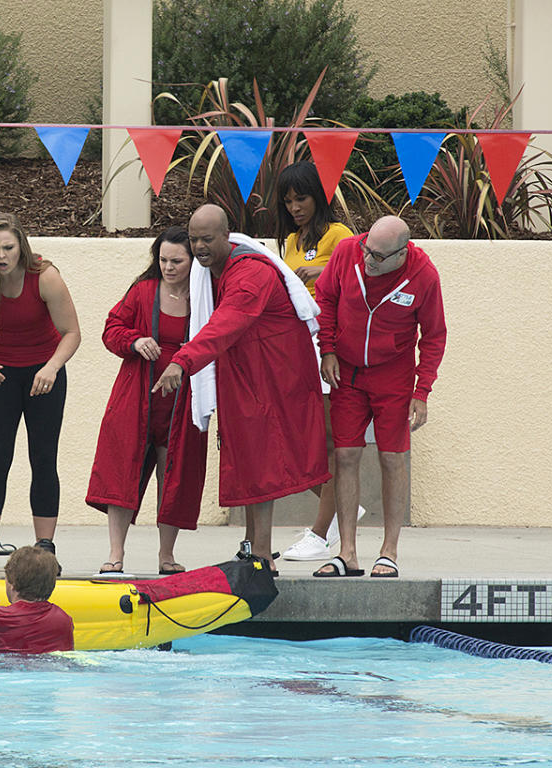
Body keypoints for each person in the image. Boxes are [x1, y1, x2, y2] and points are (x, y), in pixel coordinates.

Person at [153, 204, 330, 569]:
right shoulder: (213, 269)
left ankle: (274, 551)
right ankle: (254, 548)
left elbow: (226, 324)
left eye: (207, 239)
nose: (199, 247)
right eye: (194, 239)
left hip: (276, 379)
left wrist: (181, 361)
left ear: (226, 236)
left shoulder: (249, 273)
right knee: (251, 463)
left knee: (269, 466)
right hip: (246, 376)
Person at [0, 213, 81, 575]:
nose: (2, 255)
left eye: (8, 247)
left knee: (43, 458)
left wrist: (52, 367)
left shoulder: (45, 276)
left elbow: (71, 332)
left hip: (44, 376)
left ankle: (45, 548)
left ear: (21, 245)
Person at [314, 216, 446, 578]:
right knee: (344, 456)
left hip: (393, 376)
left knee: (392, 459)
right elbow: (324, 297)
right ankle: (347, 552)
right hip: (348, 372)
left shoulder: (424, 276)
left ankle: (389, 551)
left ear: (402, 253)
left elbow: (434, 336)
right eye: (367, 250)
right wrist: (327, 349)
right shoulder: (346, 253)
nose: (369, 261)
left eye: (378, 257)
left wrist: (422, 391)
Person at [86, 226, 208, 575]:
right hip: (136, 400)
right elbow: (111, 330)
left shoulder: (203, 295)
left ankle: (166, 556)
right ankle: (115, 554)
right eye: (163, 259)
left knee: (174, 481)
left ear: (193, 262)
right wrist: (135, 341)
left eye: (177, 261)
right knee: (121, 476)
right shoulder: (143, 292)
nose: (168, 267)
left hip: (181, 405)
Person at [274, 161, 366, 561]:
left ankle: (319, 531)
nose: (295, 207)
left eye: (302, 198)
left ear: (319, 196)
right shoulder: (292, 240)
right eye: (288, 201)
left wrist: (320, 268)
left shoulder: (339, 234)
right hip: (297, 347)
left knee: (329, 442)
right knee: (296, 445)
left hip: (327, 346)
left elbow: (360, 272)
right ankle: (344, 505)